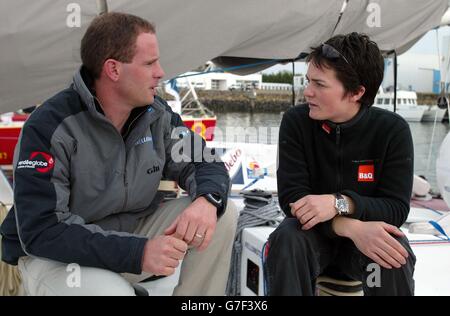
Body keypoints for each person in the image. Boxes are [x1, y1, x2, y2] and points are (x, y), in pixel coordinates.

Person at [0, 12, 237, 296]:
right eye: (150, 63)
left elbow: (204, 160)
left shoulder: (156, 116)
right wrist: (138, 253)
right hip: (55, 258)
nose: (161, 72)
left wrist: (206, 201)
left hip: (127, 240)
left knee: (220, 212)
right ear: (113, 69)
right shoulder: (50, 127)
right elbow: (42, 231)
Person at [265, 32, 416, 296]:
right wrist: (349, 225)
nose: (308, 92)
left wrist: (339, 203)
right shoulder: (296, 123)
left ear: (357, 92)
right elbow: (292, 198)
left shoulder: (391, 130)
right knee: (287, 236)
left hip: (361, 251)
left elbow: (396, 208)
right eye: (308, 81)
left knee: (392, 249)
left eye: (320, 85)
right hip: (313, 239)